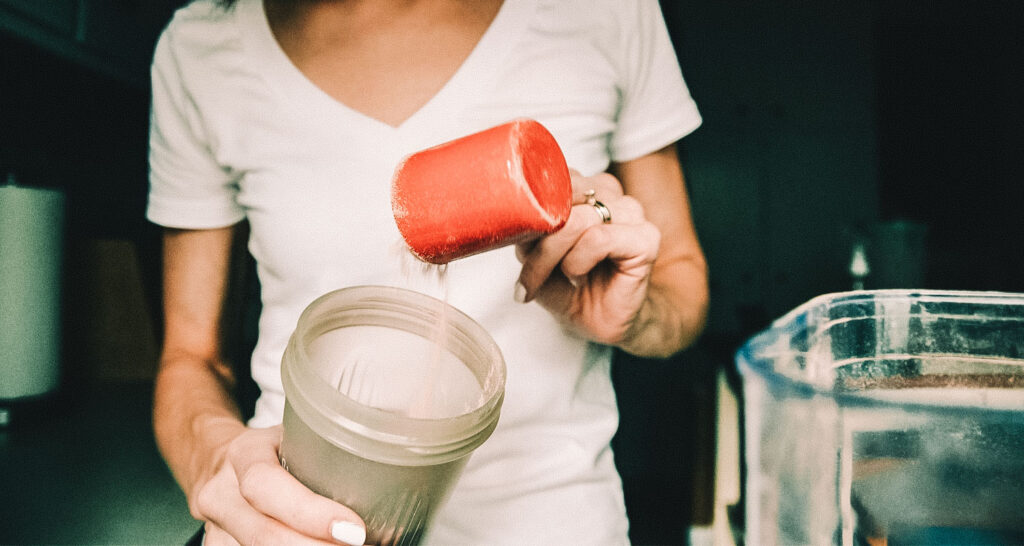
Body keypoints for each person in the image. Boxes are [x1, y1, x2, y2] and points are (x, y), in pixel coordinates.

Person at [147, 0, 708, 544]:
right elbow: (191, 359)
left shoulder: (605, 10)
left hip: (554, 521)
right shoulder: (203, 47)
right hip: (303, 521)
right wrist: (228, 466)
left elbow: (683, 286)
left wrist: (635, 314)